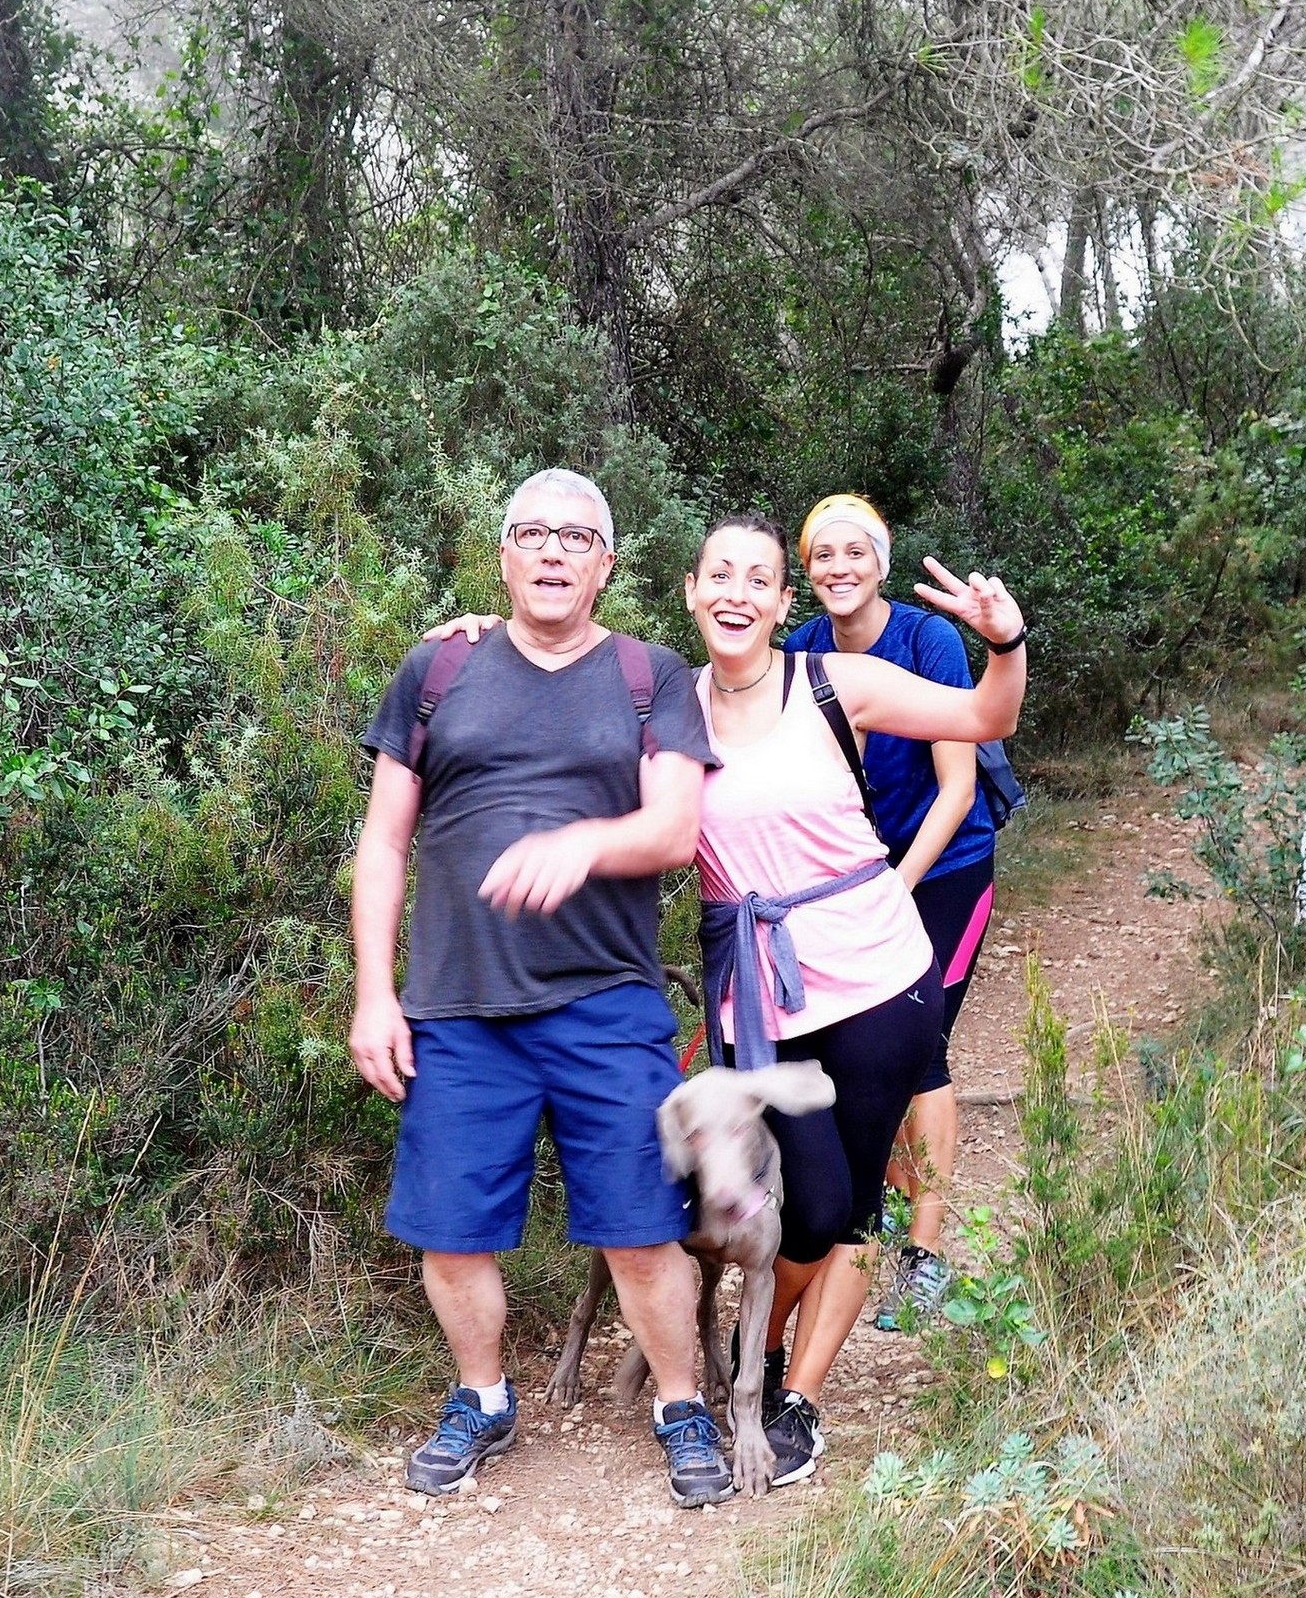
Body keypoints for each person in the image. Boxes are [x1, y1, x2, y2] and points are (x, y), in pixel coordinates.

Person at [348, 468, 739, 1509]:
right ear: (504, 556)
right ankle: (482, 1398)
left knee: (641, 1227)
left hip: (606, 1002)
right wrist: (374, 993)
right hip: (455, 1005)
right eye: (533, 533)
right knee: (451, 1229)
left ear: (607, 564)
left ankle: (681, 1406)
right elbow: (384, 842)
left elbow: (675, 830)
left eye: (577, 537)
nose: (554, 551)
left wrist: (581, 844)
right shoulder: (439, 668)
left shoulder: (650, 675)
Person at [682, 513, 1024, 1481]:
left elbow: (986, 719)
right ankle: (757, 1348)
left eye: (758, 578)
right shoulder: (665, 704)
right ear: (693, 592)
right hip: (762, 998)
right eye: (720, 575)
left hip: (878, 978)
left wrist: (1006, 642)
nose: (737, 593)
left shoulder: (834, 680)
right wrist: (484, 632)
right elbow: (559, 675)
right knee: (808, 1203)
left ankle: (795, 1395)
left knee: (854, 1202)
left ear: (780, 602)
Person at [781, 493, 993, 1329]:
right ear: (807, 571)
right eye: (822, 556)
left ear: (882, 561)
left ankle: (924, 1257)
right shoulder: (800, 649)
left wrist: (897, 888)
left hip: (946, 870)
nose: (839, 568)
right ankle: (887, 1204)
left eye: (855, 552)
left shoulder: (925, 640)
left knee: (920, 1049)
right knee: (866, 1058)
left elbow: (959, 786)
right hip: (851, 884)